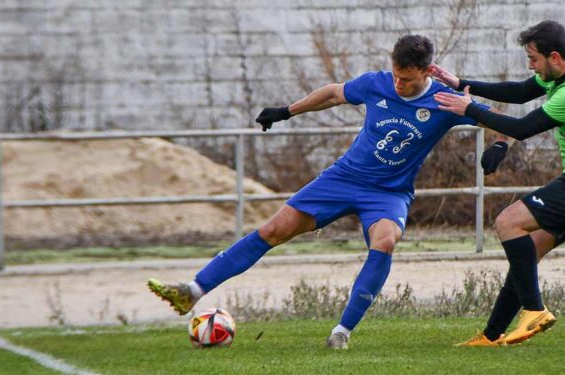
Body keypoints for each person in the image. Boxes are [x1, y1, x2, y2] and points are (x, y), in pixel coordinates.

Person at [147, 34, 488, 350]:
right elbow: (333, 93)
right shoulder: (376, 84)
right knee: (272, 230)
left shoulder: (445, 101)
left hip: (388, 192)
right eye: (396, 75)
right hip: (342, 178)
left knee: (385, 241)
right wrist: (287, 111)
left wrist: (499, 146)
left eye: (408, 79)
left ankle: (341, 334)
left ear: (427, 71)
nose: (399, 84)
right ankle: (192, 290)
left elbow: (494, 119)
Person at [432, 20, 565, 346]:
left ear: (553, 56)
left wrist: (471, 108)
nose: (530, 65)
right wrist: (462, 83)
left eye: (533, 59)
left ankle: (535, 310)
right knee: (526, 256)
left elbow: (523, 128)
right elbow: (521, 93)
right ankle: (492, 336)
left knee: (507, 223)